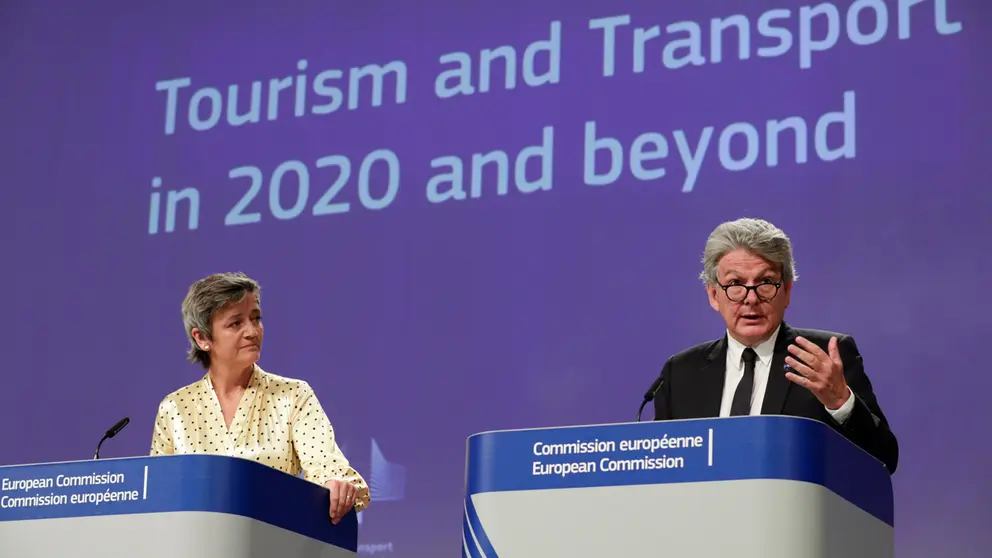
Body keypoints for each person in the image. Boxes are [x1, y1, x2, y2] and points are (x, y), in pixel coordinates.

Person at [651, 218, 898, 474]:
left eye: (765, 283)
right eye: (736, 285)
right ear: (714, 295)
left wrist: (840, 401)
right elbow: (660, 470)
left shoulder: (825, 359)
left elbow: (885, 459)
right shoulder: (680, 372)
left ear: (787, 291)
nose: (751, 299)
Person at [150, 272, 370, 523]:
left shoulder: (293, 395)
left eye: (256, 318)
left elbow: (327, 467)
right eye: (236, 323)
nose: (252, 331)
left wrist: (335, 484)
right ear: (202, 338)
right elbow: (157, 497)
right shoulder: (174, 408)